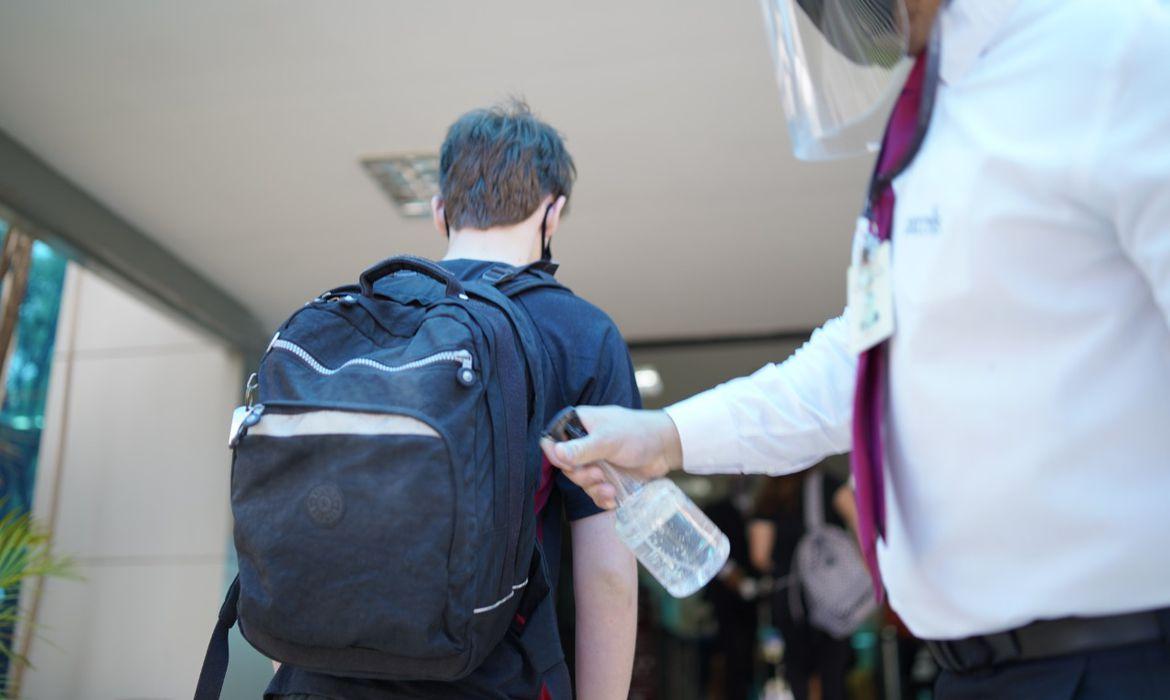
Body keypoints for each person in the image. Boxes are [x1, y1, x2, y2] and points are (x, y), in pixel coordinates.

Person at [543, 1, 1170, 698]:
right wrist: (666, 435)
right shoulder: (941, 112)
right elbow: (865, 362)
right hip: (978, 671)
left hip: (1120, 654)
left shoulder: (1122, 49)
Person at [267, 100, 639, 700]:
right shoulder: (580, 336)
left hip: (317, 680)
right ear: (554, 212)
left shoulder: (354, 322)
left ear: (441, 211)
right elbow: (608, 572)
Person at [748, 471, 853, 700]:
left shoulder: (770, 494)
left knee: (798, 671)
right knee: (832, 671)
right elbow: (860, 524)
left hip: (790, 596)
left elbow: (759, 556)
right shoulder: (828, 484)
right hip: (833, 593)